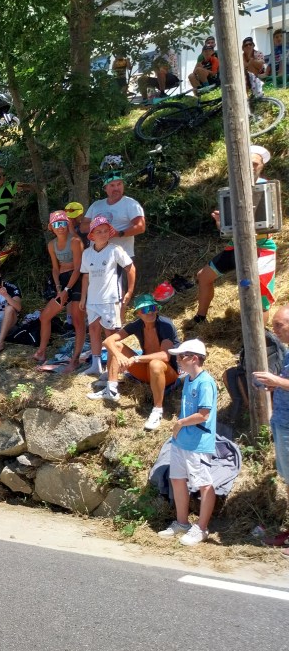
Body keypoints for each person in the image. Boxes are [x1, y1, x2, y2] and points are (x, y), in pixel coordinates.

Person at [194, 144, 277, 325]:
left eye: (256, 164)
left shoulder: (266, 188)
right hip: (236, 246)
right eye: (249, 163)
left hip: (260, 248)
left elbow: (271, 223)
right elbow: (227, 228)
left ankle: (261, 341)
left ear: (262, 166)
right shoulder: (233, 188)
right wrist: (220, 223)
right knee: (203, 276)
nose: (252, 167)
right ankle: (200, 318)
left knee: (261, 297)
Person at [156, 339, 218, 547]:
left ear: (194, 358)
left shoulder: (206, 382)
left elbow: (204, 414)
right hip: (181, 441)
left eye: (181, 357)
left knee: (204, 485)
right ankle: (182, 523)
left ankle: (201, 528)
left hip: (198, 442)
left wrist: (180, 423)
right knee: (177, 479)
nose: (178, 361)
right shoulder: (189, 380)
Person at [88, 294, 180, 431]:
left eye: (152, 307)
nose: (150, 312)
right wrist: (119, 357)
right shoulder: (137, 325)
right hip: (146, 372)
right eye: (145, 310)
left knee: (155, 363)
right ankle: (111, 389)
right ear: (138, 313)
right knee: (116, 347)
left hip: (167, 373)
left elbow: (165, 356)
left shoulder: (166, 325)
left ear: (157, 308)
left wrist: (136, 358)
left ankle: (157, 410)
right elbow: (107, 341)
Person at [79, 216, 136, 378]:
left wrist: (129, 291)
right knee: (94, 330)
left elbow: (130, 269)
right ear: (92, 235)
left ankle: (112, 371)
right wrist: (83, 297)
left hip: (110, 300)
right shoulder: (87, 254)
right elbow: (85, 277)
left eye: (105, 231)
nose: (103, 234)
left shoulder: (115, 250)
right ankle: (96, 366)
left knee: (111, 335)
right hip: (92, 300)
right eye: (99, 231)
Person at [252, 305, 289, 554]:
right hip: (282, 422)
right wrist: (274, 387)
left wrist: (277, 381)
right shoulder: (287, 353)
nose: (274, 330)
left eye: (278, 325)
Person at [79, 172, 145, 308]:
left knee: (118, 294)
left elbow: (140, 227)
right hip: (96, 256)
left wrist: (118, 233)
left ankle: (117, 326)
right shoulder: (97, 205)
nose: (116, 188)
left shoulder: (130, 204)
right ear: (105, 188)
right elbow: (83, 226)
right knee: (96, 292)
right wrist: (99, 229)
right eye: (112, 185)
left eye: (119, 184)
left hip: (120, 255)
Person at [32, 211, 85, 370]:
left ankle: (75, 359)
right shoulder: (51, 245)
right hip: (61, 283)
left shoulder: (75, 241)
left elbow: (78, 268)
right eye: (56, 224)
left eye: (63, 223)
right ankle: (41, 352)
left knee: (77, 321)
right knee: (44, 317)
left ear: (68, 224)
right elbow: (55, 269)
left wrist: (67, 289)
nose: (60, 227)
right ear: (51, 228)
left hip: (76, 282)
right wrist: (59, 288)